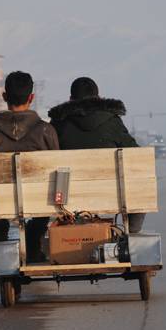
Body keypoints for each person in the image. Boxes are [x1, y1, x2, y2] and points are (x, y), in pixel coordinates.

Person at [0, 71, 59, 262]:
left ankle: (0, 238)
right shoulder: (46, 131)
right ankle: (34, 238)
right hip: (38, 199)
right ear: (31, 97)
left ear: (4, 96)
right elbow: (58, 170)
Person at [48, 76, 146, 233]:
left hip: (65, 198)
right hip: (110, 194)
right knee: (140, 187)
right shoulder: (112, 121)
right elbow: (135, 154)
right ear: (98, 98)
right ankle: (131, 233)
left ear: (71, 99)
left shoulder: (58, 124)